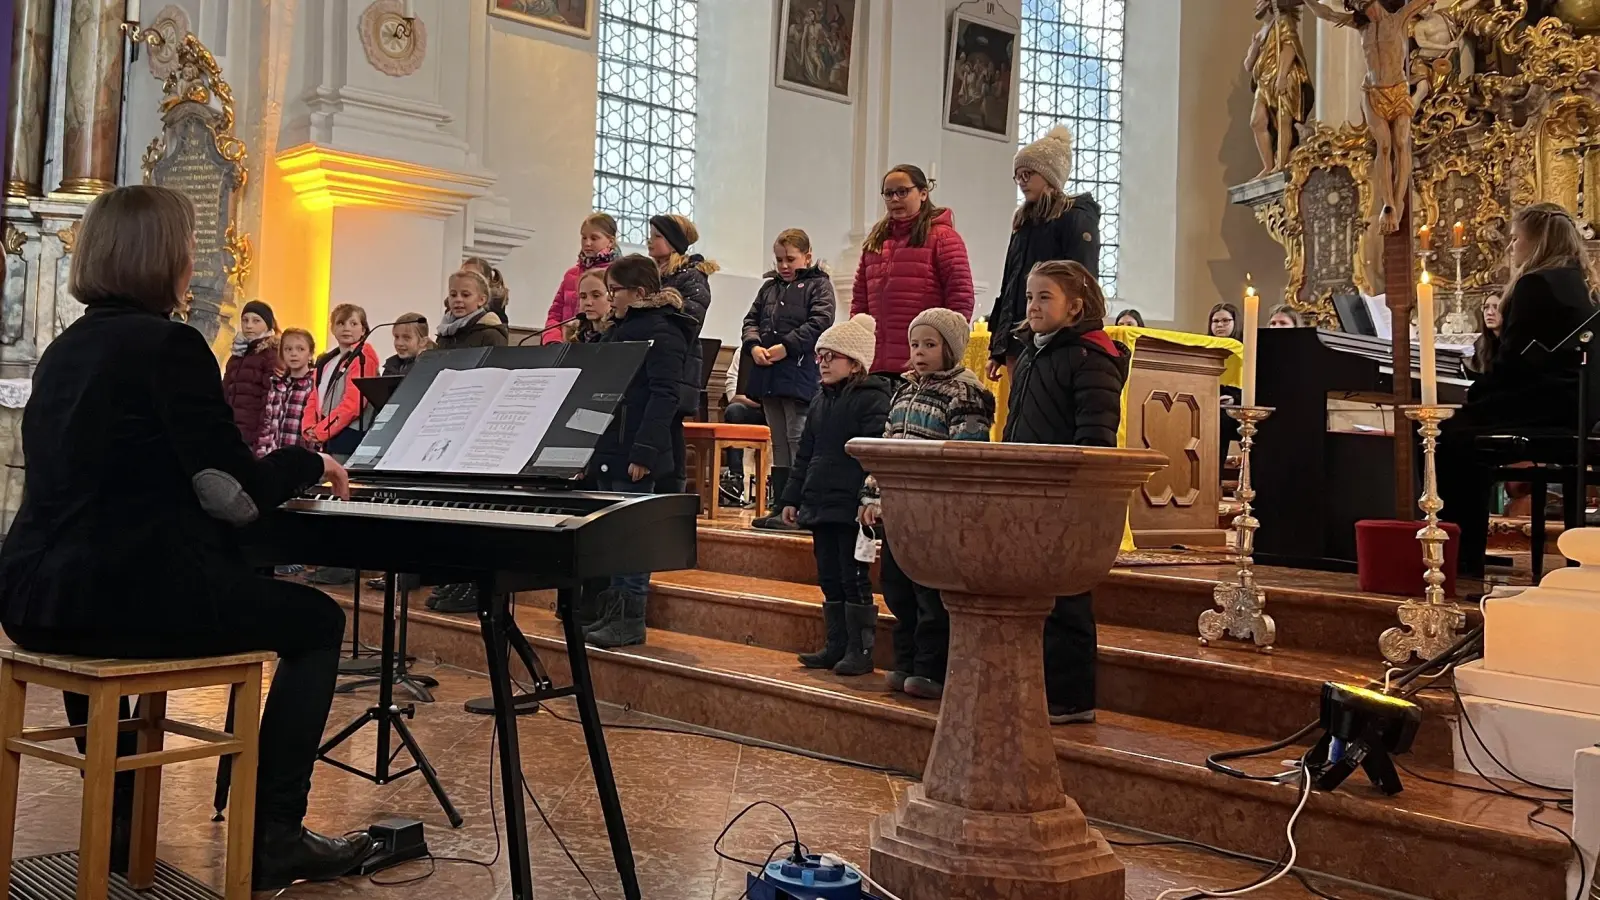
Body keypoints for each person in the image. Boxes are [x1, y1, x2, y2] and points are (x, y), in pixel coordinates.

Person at [0, 185, 371, 890]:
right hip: (130, 592)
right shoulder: (170, 345)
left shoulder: (64, 349)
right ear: (163, 258)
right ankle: (274, 840)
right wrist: (308, 461)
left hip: (31, 595)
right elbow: (234, 495)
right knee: (318, 621)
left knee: (115, 610)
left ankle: (116, 822)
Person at [1438, 203, 1599, 575]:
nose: (1511, 248)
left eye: (1515, 239)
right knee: (1463, 427)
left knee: (1448, 435)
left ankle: (1462, 557)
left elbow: (1514, 365)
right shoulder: (1583, 285)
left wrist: (1473, 393)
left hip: (1547, 406)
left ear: (1537, 243)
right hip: (1577, 406)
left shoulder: (1535, 283)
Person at [1003, 260, 1128, 724]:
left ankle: (1071, 698)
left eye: (1044, 297)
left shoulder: (1091, 358)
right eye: (1030, 297)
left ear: (1075, 308)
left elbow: (1095, 434)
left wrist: (1075, 490)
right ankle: (1038, 687)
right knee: (1034, 597)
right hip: (1029, 490)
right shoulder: (1035, 352)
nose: (1033, 306)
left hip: (1067, 495)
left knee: (1066, 600)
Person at [860, 308, 994, 699]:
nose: (919, 352)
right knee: (898, 591)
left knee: (930, 596)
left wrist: (949, 501)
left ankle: (932, 670)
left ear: (950, 349)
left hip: (937, 512)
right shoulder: (904, 389)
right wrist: (871, 495)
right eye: (915, 344)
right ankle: (905, 663)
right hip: (899, 511)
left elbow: (967, 455)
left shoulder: (965, 392)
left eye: (930, 345)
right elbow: (885, 448)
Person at [584, 255, 696, 648]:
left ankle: (630, 619)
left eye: (615, 291)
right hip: (612, 443)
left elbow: (665, 396)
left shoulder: (663, 332)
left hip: (636, 449)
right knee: (615, 535)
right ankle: (612, 613)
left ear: (641, 293)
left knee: (632, 536)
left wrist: (644, 452)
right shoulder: (621, 329)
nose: (610, 298)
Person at [785, 314, 893, 677]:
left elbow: (874, 454)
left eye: (833, 356)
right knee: (828, 575)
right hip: (819, 501)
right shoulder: (819, 400)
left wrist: (869, 498)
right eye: (820, 356)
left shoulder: (872, 399)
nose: (823, 363)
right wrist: (791, 497)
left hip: (850, 504)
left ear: (857, 362)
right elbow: (805, 454)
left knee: (853, 576)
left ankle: (859, 649)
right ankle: (835, 644)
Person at [986, 126, 1101, 378]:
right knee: (1021, 406)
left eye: (1028, 173)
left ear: (1050, 175)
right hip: (1020, 334)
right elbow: (1010, 285)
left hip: (1058, 335)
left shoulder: (1075, 218)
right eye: (1017, 176)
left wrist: (1074, 333)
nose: (1022, 181)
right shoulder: (1023, 223)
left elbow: (1083, 280)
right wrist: (998, 346)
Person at [743, 228, 835, 530]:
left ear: (807, 256)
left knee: (798, 439)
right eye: (779, 259)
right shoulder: (769, 288)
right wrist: (754, 346)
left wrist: (787, 347)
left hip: (799, 371)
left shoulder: (819, 285)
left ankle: (800, 507)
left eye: (790, 259)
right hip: (768, 373)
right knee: (778, 440)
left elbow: (820, 321)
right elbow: (751, 320)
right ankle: (780, 504)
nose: (784, 265)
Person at [852, 165, 975, 377]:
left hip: (923, 364)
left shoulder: (943, 237)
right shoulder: (876, 241)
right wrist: (859, 346)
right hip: (876, 362)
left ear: (923, 193)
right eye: (889, 194)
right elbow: (860, 301)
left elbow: (960, 297)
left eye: (903, 191)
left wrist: (943, 351)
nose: (895, 199)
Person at [301, 303, 380, 586]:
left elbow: (354, 404)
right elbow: (314, 396)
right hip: (327, 436)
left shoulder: (364, 355)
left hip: (348, 437)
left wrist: (322, 431)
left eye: (354, 324)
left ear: (364, 328)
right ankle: (327, 559)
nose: (347, 329)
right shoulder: (328, 359)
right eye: (341, 323)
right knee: (329, 500)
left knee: (344, 498)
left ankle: (344, 564)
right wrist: (308, 426)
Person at [648, 213, 717, 492]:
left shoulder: (692, 276)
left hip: (680, 362)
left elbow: (691, 318)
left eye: (657, 236)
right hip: (656, 361)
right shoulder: (654, 274)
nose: (649, 241)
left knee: (671, 425)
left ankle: (674, 488)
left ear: (674, 242)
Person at [546, 213, 618, 345]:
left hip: (601, 341)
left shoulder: (618, 274)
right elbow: (555, 314)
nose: (587, 243)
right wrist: (553, 340)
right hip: (567, 343)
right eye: (584, 238)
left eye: (594, 238)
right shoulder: (572, 274)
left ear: (611, 241)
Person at [222, 300, 280, 443]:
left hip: (254, 434)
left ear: (268, 324)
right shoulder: (237, 354)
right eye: (245, 320)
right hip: (231, 430)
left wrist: (262, 435)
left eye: (256, 321)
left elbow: (270, 398)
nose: (249, 325)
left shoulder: (271, 354)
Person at [256, 327, 318, 457]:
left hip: (303, 457)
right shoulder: (277, 384)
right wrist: (262, 454)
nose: (293, 354)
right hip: (276, 457)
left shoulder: (315, 384)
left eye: (300, 349)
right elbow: (268, 424)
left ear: (310, 353)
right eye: (288, 349)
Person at [437, 269, 510, 349]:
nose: (458, 299)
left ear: (481, 300)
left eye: (465, 295)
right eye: (453, 295)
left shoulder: (491, 334)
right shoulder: (445, 331)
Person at [567, 268, 614, 343]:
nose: (588, 303)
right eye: (583, 297)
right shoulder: (577, 336)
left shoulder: (619, 335)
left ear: (611, 296)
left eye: (596, 296)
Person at [462, 256, 511, 325]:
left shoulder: (493, 305)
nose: (467, 280)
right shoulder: (456, 300)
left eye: (473, 276)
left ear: (487, 279)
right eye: (463, 275)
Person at [1466, 290, 1503, 379]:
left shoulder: (1513, 344)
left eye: (1496, 307)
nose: (1489, 312)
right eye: (1486, 307)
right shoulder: (1479, 344)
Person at [383, 312, 432, 377]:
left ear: (423, 341)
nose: (399, 343)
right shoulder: (391, 366)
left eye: (406, 338)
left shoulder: (430, 368)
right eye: (396, 337)